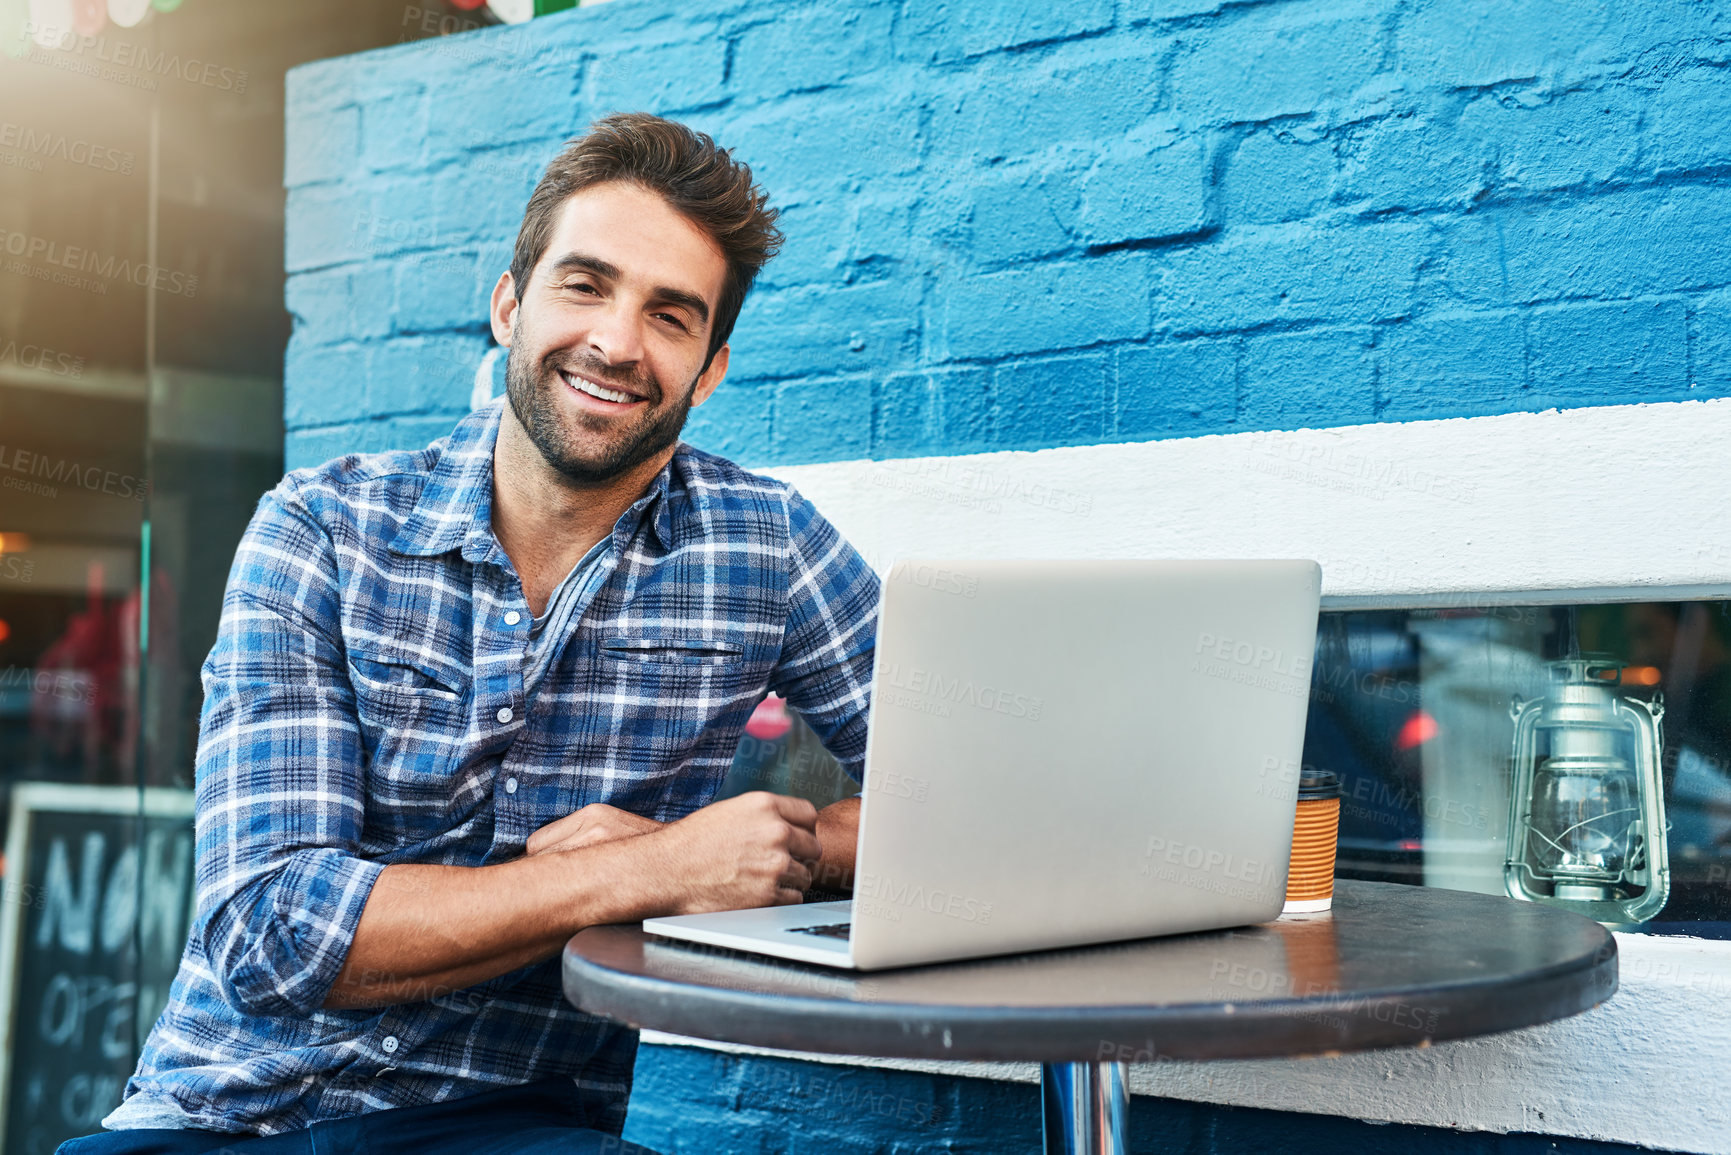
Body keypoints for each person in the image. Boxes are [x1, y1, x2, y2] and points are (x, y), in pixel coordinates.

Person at [60, 111, 877, 1155]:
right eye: (585, 285)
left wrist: (795, 851)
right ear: (509, 305)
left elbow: (976, 792)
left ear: (709, 369)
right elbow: (274, 926)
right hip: (227, 1114)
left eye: (671, 317)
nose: (617, 342)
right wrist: (649, 871)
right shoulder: (320, 528)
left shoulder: (767, 547)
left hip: (513, 1124)